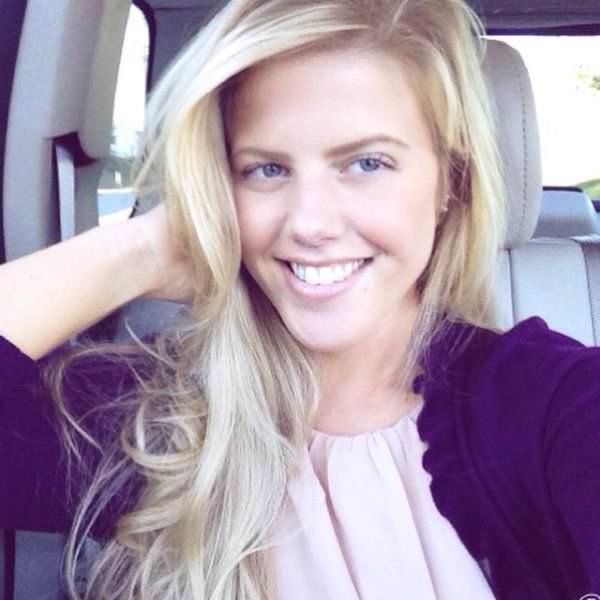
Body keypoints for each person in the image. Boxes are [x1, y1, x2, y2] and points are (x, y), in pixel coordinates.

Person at [1, 0, 599, 599]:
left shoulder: (558, 404)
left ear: (450, 181)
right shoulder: (158, 417)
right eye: (265, 170)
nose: (310, 223)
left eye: (367, 163)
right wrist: (141, 251)